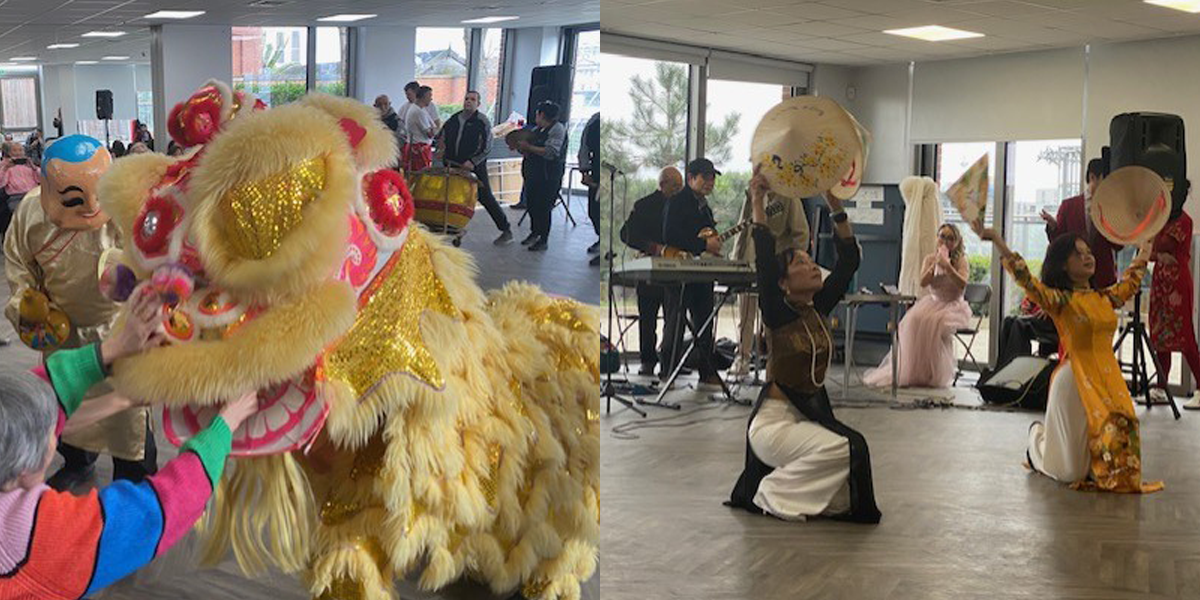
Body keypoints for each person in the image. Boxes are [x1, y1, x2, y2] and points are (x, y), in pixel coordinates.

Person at [0, 287, 260, 599]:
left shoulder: (9, 459)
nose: (54, 430)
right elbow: (157, 512)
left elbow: (33, 403)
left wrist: (114, 353)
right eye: (51, 434)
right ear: (20, 469)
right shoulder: (39, 545)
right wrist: (224, 426)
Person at [727, 167, 880, 523]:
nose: (812, 266)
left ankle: (789, 489)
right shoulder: (777, 311)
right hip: (773, 425)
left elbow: (849, 260)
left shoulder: (817, 308)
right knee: (844, 447)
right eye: (801, 263)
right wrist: (757, 201)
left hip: (804, 419)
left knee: (846, 490)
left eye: (812, 261)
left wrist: (833, 202)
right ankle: (770, 492)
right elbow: (764, 255)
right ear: (782, 282)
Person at [5, 135, 154, 492]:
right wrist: (28, 305)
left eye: (97, 194)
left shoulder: (125, 205)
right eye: (75, 199)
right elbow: (18, 266)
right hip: (64, 334)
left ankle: (133, 480)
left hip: (119, 329)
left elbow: (147, 257)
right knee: (69, 406)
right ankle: (77, 462)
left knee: (129, 416)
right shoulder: (29, 213)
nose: (90, 207)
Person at [975, 222, 1162, 492]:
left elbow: (1132, 280)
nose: (1088, 257)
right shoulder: (1059, 301)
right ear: (1063, 265)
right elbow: (1026, 279)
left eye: (1088, 252)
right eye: (1078, 253)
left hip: (1107, 381)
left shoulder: (1104, 298)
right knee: (1068, 472)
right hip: (1073, 382)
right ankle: (1036, 441)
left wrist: (1146, 244)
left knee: (1120, 439)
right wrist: (996, 240)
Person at [864, 223, 972, 388]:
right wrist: (934, 266)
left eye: (950, 238)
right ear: (937, 238)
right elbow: (923, 282)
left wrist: (948, 267)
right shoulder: (929, 258)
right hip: (933, 301)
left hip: (953, 305)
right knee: (913, 321)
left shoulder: (961, 260)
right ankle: (915, 370)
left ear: (956, 242)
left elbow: (963, 283)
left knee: (935, 323)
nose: (946, 241)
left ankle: (933, 373)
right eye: (942, 236)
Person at [728, 186, 809, 378]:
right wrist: (736, 261)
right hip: (748, 263)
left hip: (775, 266)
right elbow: (743, 229)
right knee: (745, 316)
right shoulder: (751, 194)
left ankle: (776, 360)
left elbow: (801, 233)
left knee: (772, 318)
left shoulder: (788, 196)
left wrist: (793, 265)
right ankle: (742, 357)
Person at [660, 158, 724, 385]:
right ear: (690, 178)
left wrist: (714, 244)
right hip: (679, 273)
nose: (710, 182)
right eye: (705, 177)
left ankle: (706, 372)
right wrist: (704, 245)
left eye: (713, 178)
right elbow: (670, 235)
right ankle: (667, 370)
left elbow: (708, 234)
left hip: (702, 274)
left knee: (705, 322)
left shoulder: (704, 207)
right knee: (676, 322)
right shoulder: (677, 202)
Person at [620, 166, 684, 376]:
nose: (678, 190)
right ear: (662, 184)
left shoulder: (683, 207)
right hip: (649, 268)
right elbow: (626, 234)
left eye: (680, 186)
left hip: (674, 270)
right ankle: (647, 360)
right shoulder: (645, 205)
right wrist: (653, 247)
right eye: (674, 185)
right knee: (647, 318)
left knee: (673, 319)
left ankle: (670, 362)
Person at [437, 90, 513, 245]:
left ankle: (506, 229)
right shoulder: (453, 119)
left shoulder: (482, 121)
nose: (468, 101)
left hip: (474, 167)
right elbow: (441, 137)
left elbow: (487, 146)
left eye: (472, 99)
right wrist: (441, 149)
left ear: (478, 104)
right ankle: (449, 227)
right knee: (450, 196)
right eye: (466, 99)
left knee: (485, 197)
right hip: (452, 165)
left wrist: (472, 162)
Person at [1148, 206, 1200, 409]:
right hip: (1160, 281)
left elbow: (1159, 245)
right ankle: (1161, 387)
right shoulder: (1160, 218)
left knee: (1185, 335)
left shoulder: (1183, 220)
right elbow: (1152, 251)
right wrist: (1157, 253)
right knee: (1160, 333)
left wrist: (1154, 249)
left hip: (1177, 283)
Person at [1041, 158, 1121, 288]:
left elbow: (1118, 246)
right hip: (1073, 279)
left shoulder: (1112, 208)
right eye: (1105, 180)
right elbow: (1059, 245)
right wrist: (1053, 226)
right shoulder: (1069, 205)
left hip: (1103, 276)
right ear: (1092, 177)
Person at [515, 101, 566, 252]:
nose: (536, 116)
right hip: (533, 175)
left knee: (543, 208)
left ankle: (543, 239)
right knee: (531, 205)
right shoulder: (538, 130)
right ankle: (534, 232)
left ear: (541, 114)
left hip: (548, 176)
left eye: (537, 113)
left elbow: (551, 152)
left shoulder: (558, 129)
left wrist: (528, 147)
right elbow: (528, 148)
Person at [579, 112, 601, 265]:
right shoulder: (595, 120)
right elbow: (584, 147)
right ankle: (601, 238)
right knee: (594, 211)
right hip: (597, 170)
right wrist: (585, 171)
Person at [403, 86, 437, 173]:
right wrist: (434, 129)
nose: (431, 99)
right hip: (418, 150)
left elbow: (434, 126)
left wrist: (433, 128)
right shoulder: (418, 112)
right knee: (420, 177)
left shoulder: (421, 109)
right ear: (424, 97)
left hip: (418, 148)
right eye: (430, 96)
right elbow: (430, 133)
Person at [0, 142, 41, 206]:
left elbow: (41, 179)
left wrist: (34, 168)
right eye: (14, 150)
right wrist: (5, 168)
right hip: (16, 196)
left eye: (20, 150)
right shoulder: (5, 165)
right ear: (9, 153)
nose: (18, 153)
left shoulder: (29, 164)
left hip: (33, 194)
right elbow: (2, 183)